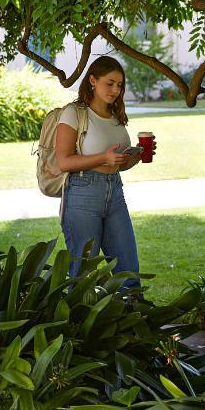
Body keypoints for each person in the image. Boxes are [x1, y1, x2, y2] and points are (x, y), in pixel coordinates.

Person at [53, 55, 145, 284]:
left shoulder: (116, 116)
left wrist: (135, 157)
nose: (115, 90)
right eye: (110, 83)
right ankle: (77, 319)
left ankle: (134, 316)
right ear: (93, 80)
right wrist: (103, 158)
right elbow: (64, 162)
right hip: (83, 193)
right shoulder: (74, 113)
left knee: (128, 269)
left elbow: (118, 163)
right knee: (82, 273)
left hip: (114, 192)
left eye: (120, 85)